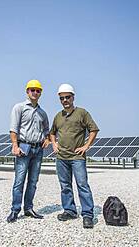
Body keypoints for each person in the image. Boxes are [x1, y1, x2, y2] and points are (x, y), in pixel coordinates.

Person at [50, 83, 99, 229]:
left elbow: (93, 129)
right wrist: (54, 144)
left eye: (67, 97)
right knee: (65, 186)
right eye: (62, 98)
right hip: (61, 158)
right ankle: (70, 211)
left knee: (82, 185)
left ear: (73, 97)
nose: (65, 100)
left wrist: (86, 146)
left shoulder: (82, 113)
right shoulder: (58, 116)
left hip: (77, 158)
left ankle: (88, 215)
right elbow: (52, 132)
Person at [7, 79, 50, 223]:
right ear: (27, 91)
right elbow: (13, 128)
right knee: (19, 181)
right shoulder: (19, 107)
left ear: (40, 93)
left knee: (33, 181)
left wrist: (47, 139)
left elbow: (46, 130)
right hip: (23, 147)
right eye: (33, 90)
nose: (35, 92)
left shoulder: (43, 113)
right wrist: (15, 145)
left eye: (38, 90)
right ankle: (15, 210)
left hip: (38, 149)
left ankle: (29, 208)